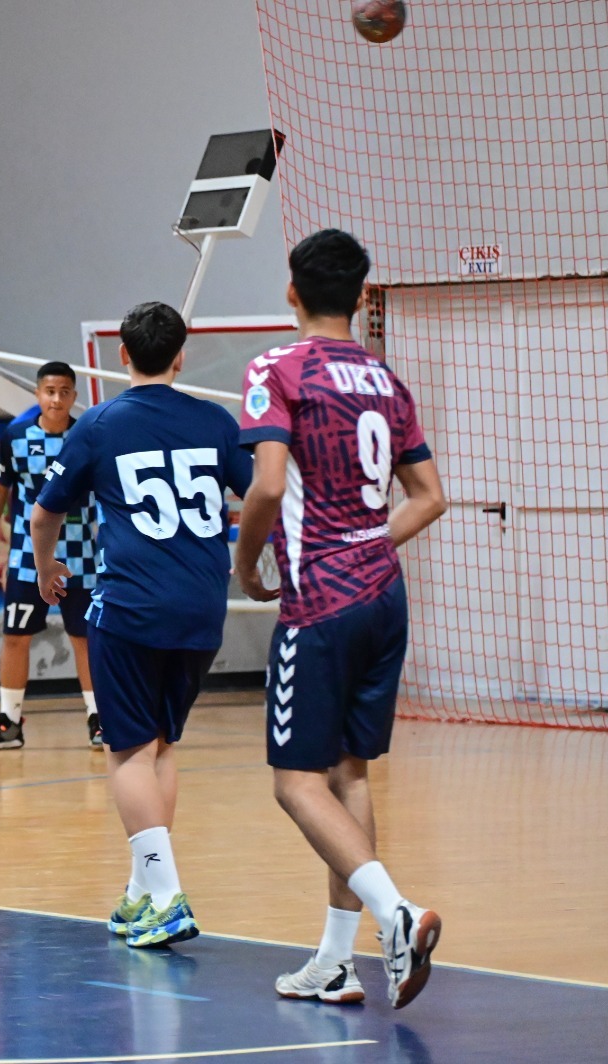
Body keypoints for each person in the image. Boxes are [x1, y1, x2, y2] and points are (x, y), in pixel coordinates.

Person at [233, 229, 446, 1009]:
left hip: (320, 600)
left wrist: (247, 565)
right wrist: (367, 544)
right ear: (361, 297)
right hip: (384, 595)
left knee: (296, 784)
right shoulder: (387, 380)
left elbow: (266, 486)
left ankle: (397, 916)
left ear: (291, 291)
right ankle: (334, 961)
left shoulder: (276, 368)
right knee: (348, 772)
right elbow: (430, 497)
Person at [32, 302, 251, 950]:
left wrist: (46, 569)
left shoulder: (99, 424)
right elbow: (262, 493)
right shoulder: (217, 422)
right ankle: (141, 890)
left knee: (126, 749)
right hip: (204, 606)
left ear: (121, 355)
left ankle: (166, 895)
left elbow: (45, 513)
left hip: (130, 608)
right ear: (181, 355)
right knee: (160, 745)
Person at [0, 361, 101, 751]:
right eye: (49, 391)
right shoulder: (16, 437)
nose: (56, 399)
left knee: (85, 639)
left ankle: (100, 721)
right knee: (16, 637)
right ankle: (9, 722)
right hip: (27, 560)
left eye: (64, 392)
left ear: (74, 396)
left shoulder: (89, 436)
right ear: (37, 394)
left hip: (80, 560)